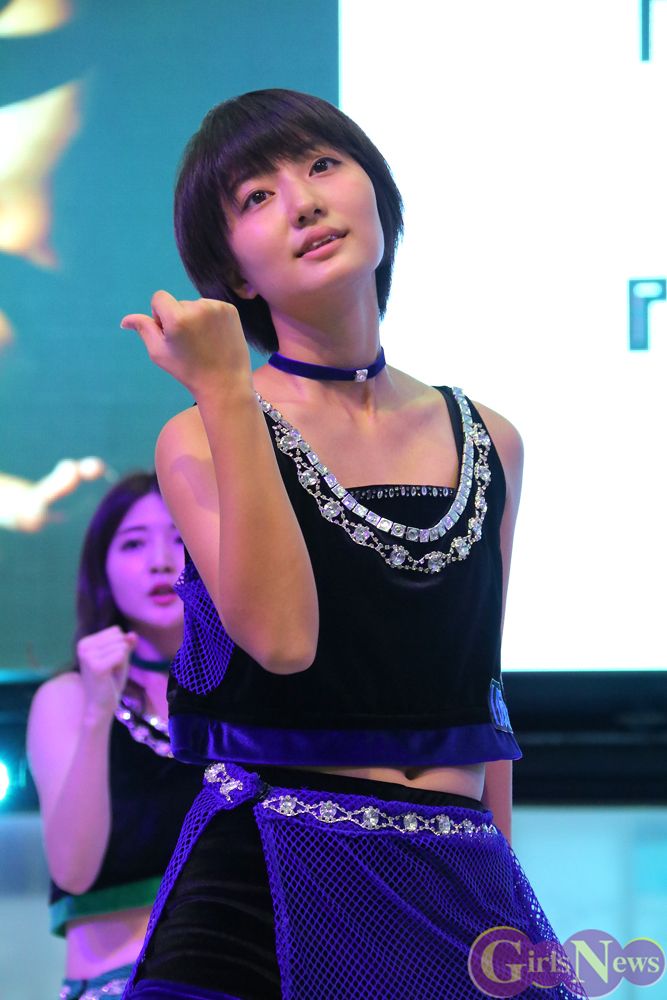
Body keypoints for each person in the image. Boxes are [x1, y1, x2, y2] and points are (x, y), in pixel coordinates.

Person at [119, 90, 583, 999]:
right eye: (256, 197)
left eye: (322, 165)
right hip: (267, 874)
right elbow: (282, 640)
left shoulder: (491, 437)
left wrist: (501, 882)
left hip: (455, 874)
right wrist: (225, 391)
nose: (302, 201)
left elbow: (479, 690)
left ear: (377, 193)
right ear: (233, 273)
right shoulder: (200, 432)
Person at [27, 472, 204, 1000]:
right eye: (133, 543)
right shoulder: (68, 697)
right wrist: (97, 711)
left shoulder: (244, 694)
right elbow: (74, 871)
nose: (161, 561)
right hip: (120, 984)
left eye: (181, 539)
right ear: (101, 569)